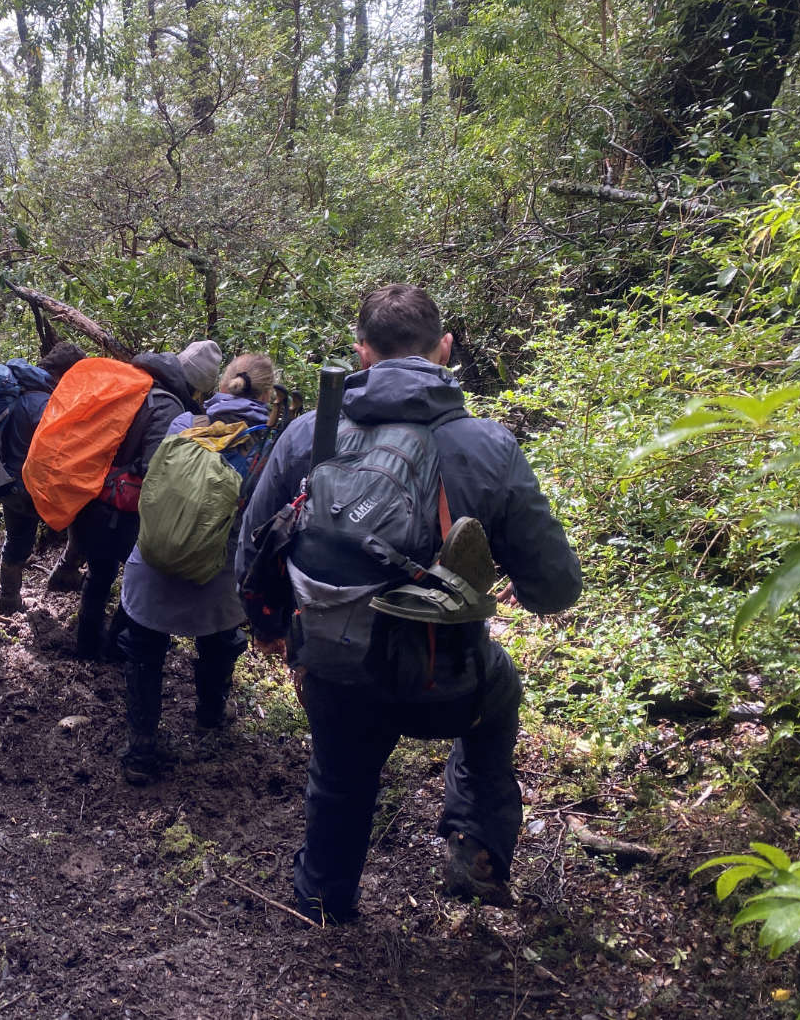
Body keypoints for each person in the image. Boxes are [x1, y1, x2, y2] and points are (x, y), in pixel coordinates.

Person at [236, 284, 580, 923]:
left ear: (362, 353)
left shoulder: (309, 434)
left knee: (339, 777)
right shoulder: (488, 446)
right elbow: (556, 588)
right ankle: (476, 841)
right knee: (499, 689)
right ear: (444, 349)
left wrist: (272, 628)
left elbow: (252, 549)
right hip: (445, 680)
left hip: (334, 662)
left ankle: (323, 903)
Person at [116, 354, 275, 785]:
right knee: (221, 643)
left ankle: (141, 749)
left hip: (152, 569)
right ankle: (210, 716)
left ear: (221, 387)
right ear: (268, 396)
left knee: (144, 650)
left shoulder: (183, 424)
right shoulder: (269, 446)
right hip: (217, 580)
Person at [69, 339, 222, 661]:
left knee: (99, 576)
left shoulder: (138, 382)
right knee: (138, 582)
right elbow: (157, 469)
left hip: (95, 496)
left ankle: (86, 647)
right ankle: (114, 651)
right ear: (199, 386)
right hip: (123, 512)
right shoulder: (168, 407)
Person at [0, 341, 86, 613]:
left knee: (17, 538)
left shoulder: (15, 385)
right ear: (65, 373)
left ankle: (8, 599)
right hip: (26, 488)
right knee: (85, 519)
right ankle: (66, 571)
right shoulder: (44, 403)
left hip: (3, 480)